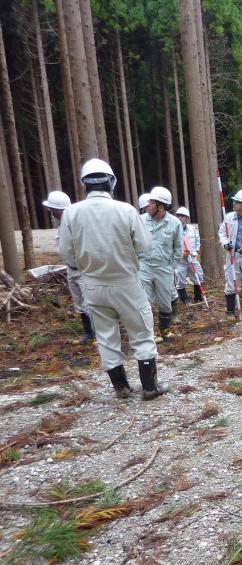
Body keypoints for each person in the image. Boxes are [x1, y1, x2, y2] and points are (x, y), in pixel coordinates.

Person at [58, 159, 167, 400]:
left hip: (92, 284)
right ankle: (150, 386)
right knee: (141, 332)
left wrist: (84, 265)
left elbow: (67, 254)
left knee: (106, 336)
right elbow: (145, 245)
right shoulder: (125, 210)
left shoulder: (71, 213)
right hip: (125, 281)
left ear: (84, 184)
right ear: (111, 182)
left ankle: (121, 388)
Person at [42, 191, 95, 345]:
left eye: (53, 211)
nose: (52, 214)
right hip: (72, 269)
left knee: (89, 304)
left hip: (84, 270)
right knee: (79, 303)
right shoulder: (61, 226)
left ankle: (99, 334)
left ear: (59, 210)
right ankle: (88, 333)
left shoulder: (76, 225)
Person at [139, 186, 182, 342]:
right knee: (144, 301)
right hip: (144, 266)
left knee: (165, 302)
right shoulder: (140, 220)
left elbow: (178, 248)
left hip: (164, 267)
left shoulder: (174, 223)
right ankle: (147, 334)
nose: (148, 205)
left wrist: (171, 267)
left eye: (151, 202)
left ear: (161, 206)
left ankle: (165, 330)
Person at [174, 206, 205, 305]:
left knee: (198, 275)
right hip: (180, 260)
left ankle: (198, 296)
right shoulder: (174, 230)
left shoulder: (192, 229)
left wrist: (195, 251)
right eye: (178, 215)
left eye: (182, 216)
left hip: (191, 258)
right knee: (180, 279)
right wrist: (180, 253)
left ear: (187, 218)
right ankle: (184, 298)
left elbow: (197, 240)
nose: (179, 218)